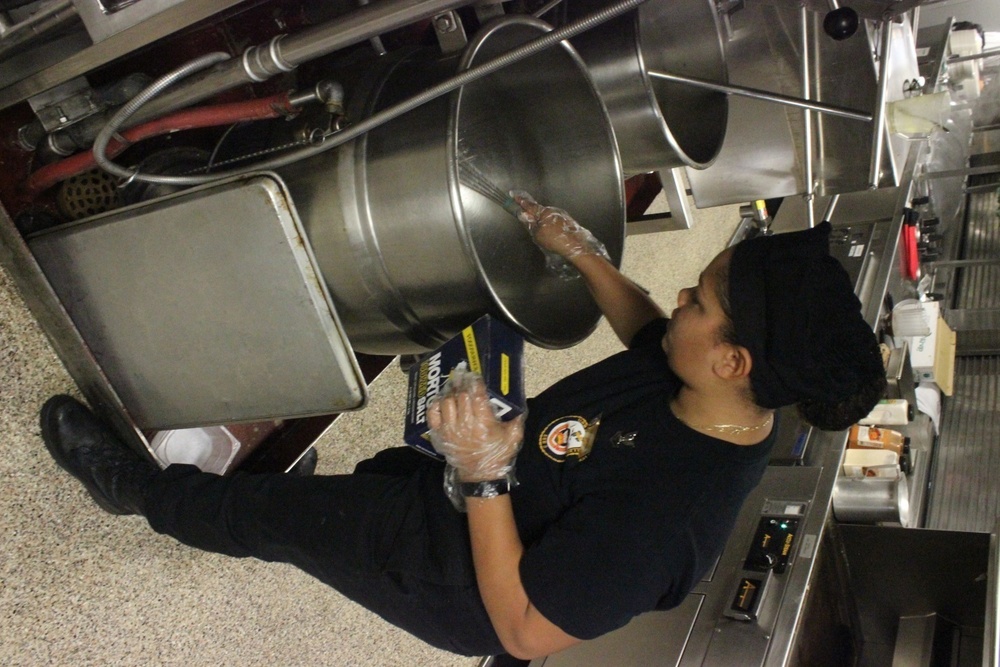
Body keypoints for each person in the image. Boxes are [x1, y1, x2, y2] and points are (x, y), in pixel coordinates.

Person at [39, 195, 886, 660]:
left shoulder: (670, 523)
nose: (680, 303)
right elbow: (646, 331)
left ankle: (142, 492)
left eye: (699, 302)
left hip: (459, 574)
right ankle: (315, 504)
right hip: (465, 489)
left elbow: (522, 629)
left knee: (272, 522)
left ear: (735, 361)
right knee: (372, 480)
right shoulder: (709, 377)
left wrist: (483, 472)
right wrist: (584, 253)